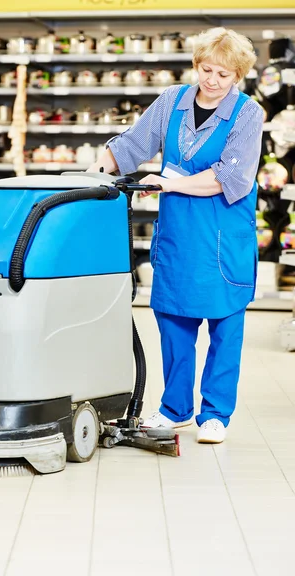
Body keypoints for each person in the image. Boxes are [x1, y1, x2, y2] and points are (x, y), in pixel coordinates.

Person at [87, 27, 264, 444]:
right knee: (173, 323)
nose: (213, 80)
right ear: (196, 65)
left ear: (238, 75)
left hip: (223, 238)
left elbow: (230, 178)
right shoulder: (172, 102)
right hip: (179, 236)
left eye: (224, 74)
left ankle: (216, 414)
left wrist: (167, 183)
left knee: (225, 327)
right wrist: (94, 171)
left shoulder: (248, 114)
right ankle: (174, 409)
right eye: (207, 69)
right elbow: (132, 144)